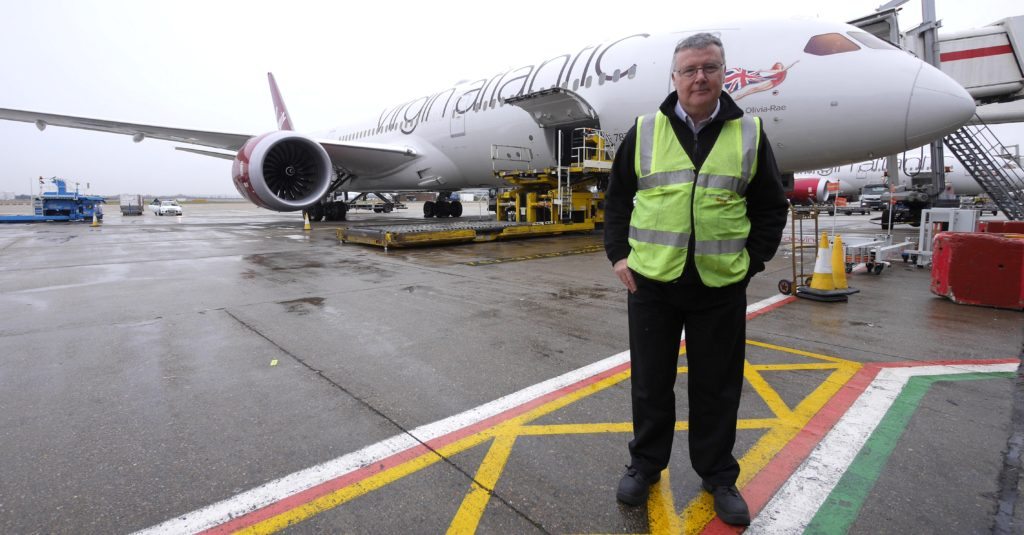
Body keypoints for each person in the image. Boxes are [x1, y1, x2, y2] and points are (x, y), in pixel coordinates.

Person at [603, 33, 788, 526]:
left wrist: (753, 262)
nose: (699, 77)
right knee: (650, 384)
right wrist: (619, 256)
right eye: (689, 70)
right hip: (651, 284)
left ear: (723, 73)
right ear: (675, 77)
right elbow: (617, 201)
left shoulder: (748, 132)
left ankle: (718, 475)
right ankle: (645, 466)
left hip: (719, 285)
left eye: (709, 68)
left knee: (717, 387)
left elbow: (771, 206)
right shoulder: (645, 131)